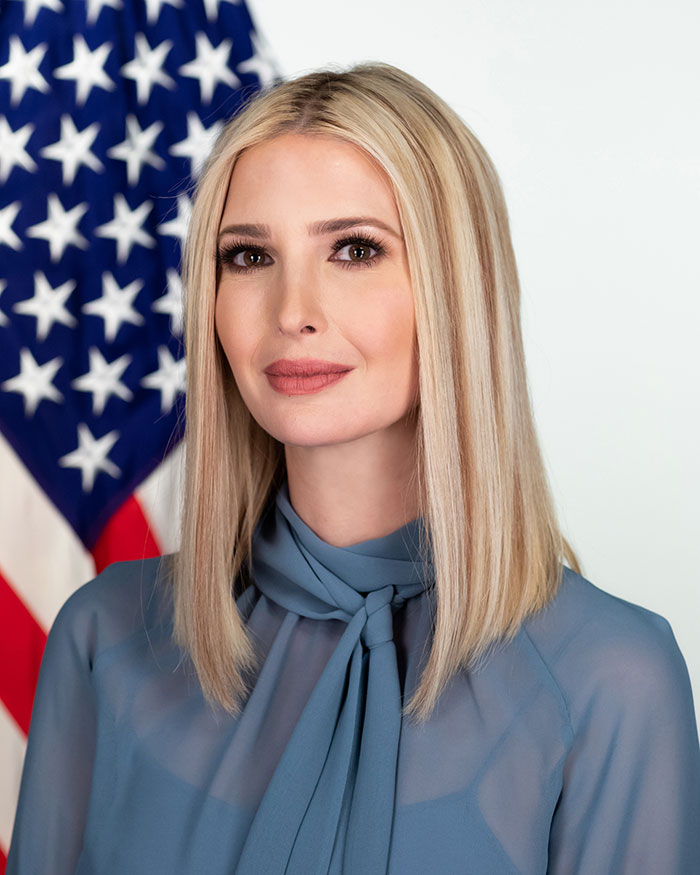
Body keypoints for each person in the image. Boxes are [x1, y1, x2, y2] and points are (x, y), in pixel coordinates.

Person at [6, 62, 700, 875]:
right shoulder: (106, 638)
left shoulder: (612, 679)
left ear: (455, 289)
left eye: (355, 249)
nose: (293, 310)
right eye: (248, 256)